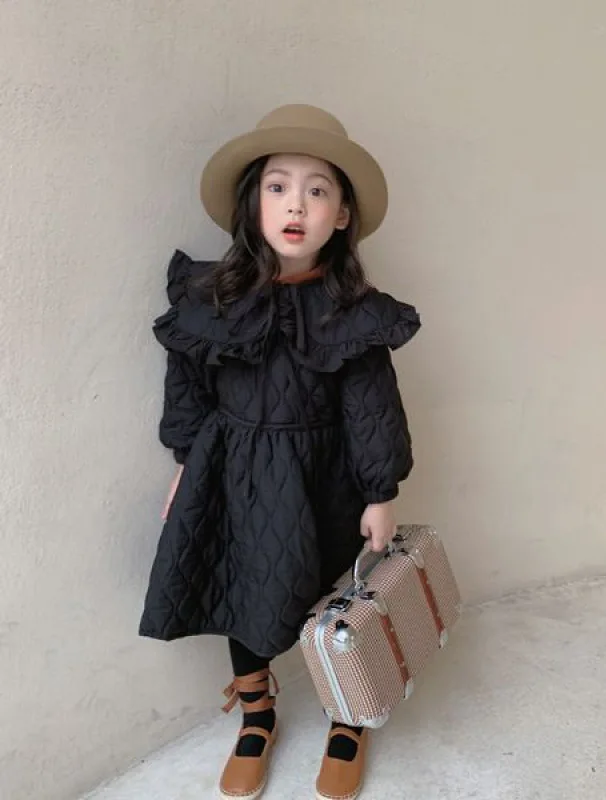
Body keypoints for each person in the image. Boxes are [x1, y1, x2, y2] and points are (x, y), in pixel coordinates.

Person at [139, 104, 420, 800]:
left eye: (317, 190)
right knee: (241, 586)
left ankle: (349, 711)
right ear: (252, 203)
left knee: (338, 592)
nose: (296, 204)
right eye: (278, 186)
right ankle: (257, 712)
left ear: (342, 216)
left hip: (325, 475)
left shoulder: (352, 312)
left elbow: (372, 406)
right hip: (232, 469)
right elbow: (188, 388)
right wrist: (185, 464)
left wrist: (380, 491)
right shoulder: (211, 300)